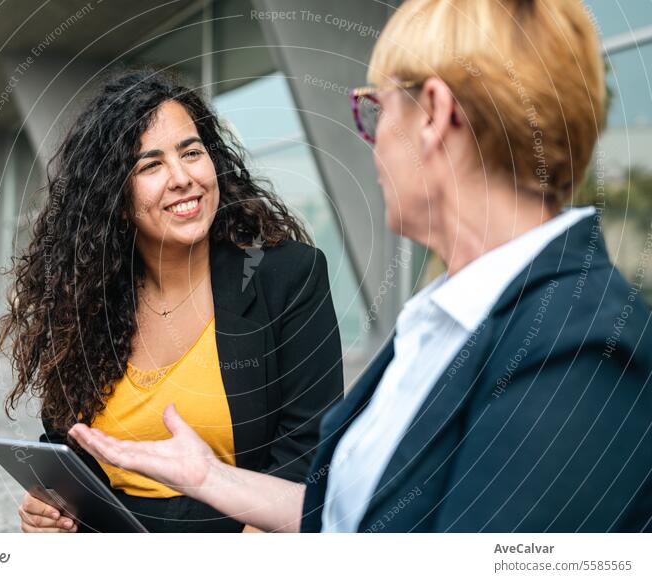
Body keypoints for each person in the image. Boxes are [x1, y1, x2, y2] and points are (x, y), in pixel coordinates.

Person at [69, 0, 652, 532]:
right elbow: (364, 519)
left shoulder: (582, 353)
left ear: (434, 117)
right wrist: (211, 479)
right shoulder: (448, 317)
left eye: (375, 110)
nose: (369, 143)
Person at [0, 70, 344, 532]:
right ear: (115, 198)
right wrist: (52, 511)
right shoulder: (86, 301)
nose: (182, 178)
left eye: (192, 153)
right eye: (150, 165)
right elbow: (68, 449)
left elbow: (308, 451)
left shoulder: (288, 277)